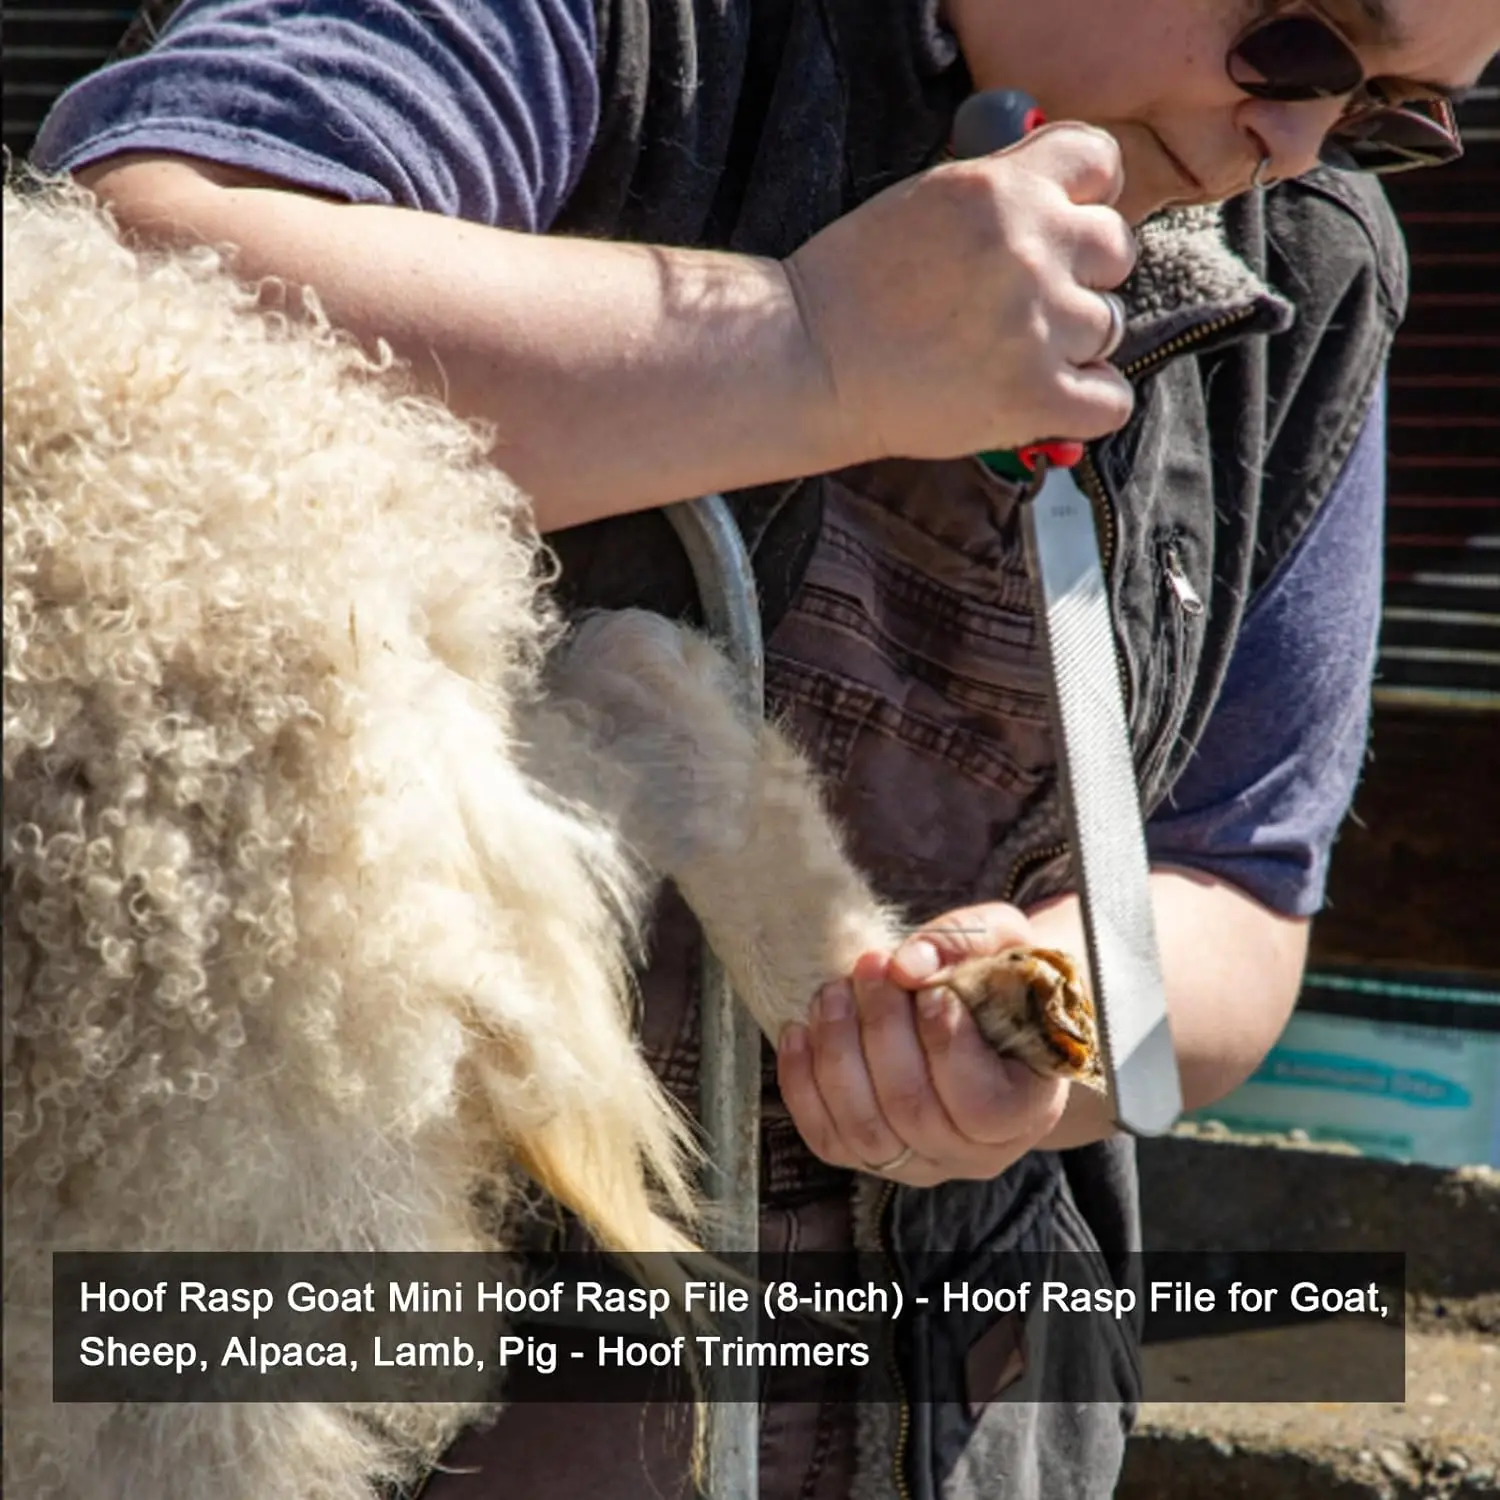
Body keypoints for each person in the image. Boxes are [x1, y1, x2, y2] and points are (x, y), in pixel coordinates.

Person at [31, 2, 1498, 1497]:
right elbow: (130, 280)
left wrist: (1043, 1039)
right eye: (1304, 41)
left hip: (958, 1406)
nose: (1301, 139)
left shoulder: (1308, 257)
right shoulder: (611, 30)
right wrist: (807, 347)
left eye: (1390, 112)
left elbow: (1229, 886)